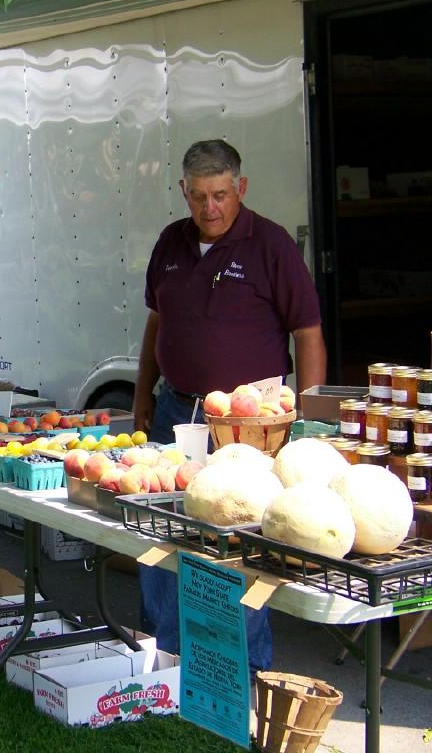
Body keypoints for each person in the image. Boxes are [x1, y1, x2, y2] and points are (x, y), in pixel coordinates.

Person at [132, 140, 326, 675]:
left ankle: (242, 669)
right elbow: (156, 323)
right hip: (176, 410)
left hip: (246, 427)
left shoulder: (270, 244)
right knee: (158, 529)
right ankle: (164, 659)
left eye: (219, 195)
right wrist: (142, 395)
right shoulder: (171, 243)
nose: (209, 208)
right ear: (183, 191)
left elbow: (308, 332)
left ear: (240, 188)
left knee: (238, 539)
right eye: (198, 196)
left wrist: (308, 419)